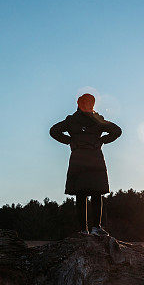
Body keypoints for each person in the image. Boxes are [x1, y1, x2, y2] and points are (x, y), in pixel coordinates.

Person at [50, 93, 122, 235]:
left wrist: (102, 141)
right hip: (79, 158)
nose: (88, 105)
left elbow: (117, 131)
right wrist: (70, 141)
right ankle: (83, 229)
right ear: (79, 103)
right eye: (86, 102)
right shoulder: (71, 120)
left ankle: (96, 227)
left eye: (91, 103)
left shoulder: (98, 120)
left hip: (94, 157)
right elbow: (54, 131)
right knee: (80, 194)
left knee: (97, 192)